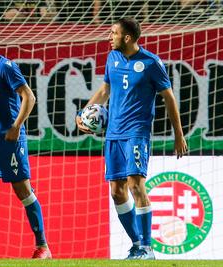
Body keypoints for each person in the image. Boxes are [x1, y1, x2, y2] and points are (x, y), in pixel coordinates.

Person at [76, 17, 188, 260]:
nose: (109, 36)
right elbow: (105, 90)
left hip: (137, 132)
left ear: (127, 38)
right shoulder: (112, 58)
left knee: (136, 185)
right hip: (113, 133)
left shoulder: (151, 63)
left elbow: (169, 97)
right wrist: (83, 113)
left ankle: (147, 247)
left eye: (113, 33)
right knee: (117, 191)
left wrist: (178, 134)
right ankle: (137, 244)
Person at [0, 25, 51, 259]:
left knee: (23, 190)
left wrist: (17, 125)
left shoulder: (6, 67)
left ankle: (42, 246)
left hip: (10, 139)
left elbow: (29, 97)